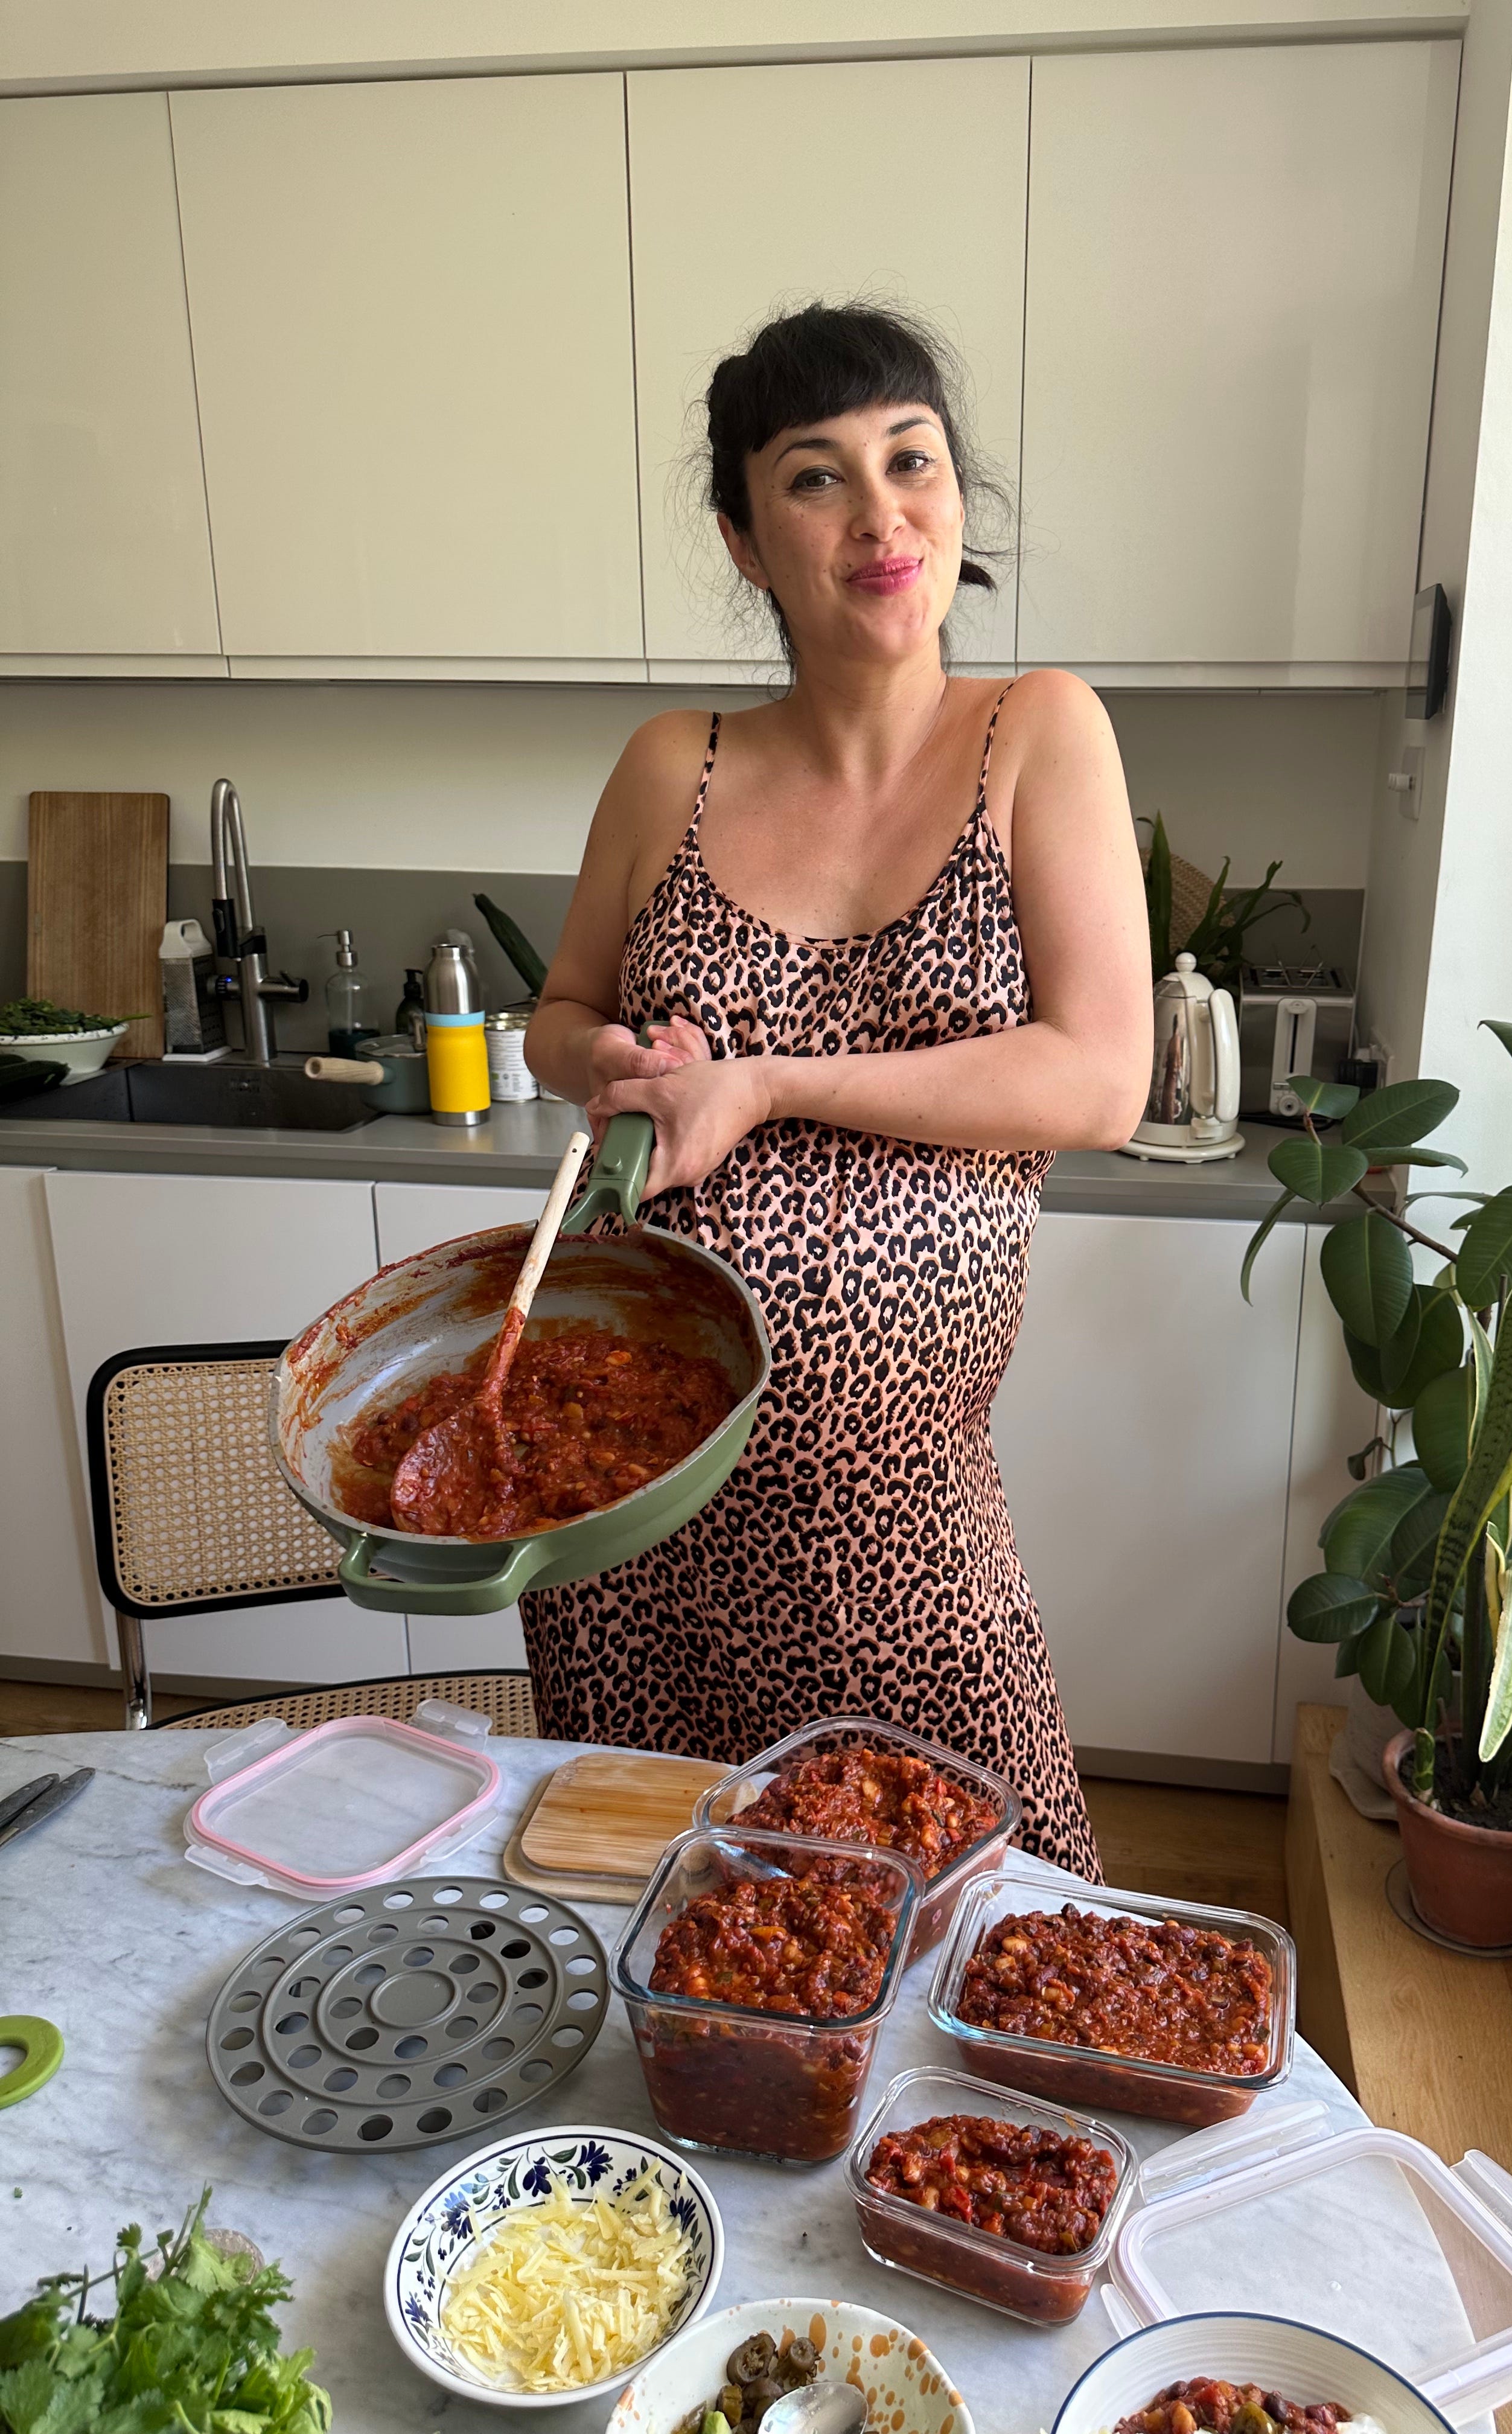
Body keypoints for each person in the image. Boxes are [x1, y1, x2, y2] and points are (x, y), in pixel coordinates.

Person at [524, 302, 1152, 1874]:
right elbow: (560, 1015)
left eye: (911, 461)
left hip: (903, 1526)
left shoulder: (1037, 731)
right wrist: (604, 1061)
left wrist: (765, 1084)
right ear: (745, 541)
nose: (881, 515)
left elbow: (1100, 1080)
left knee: (986, 1924)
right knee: (664, 1914)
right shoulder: (673, 764)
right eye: (816, 477)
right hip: (632, 1504)